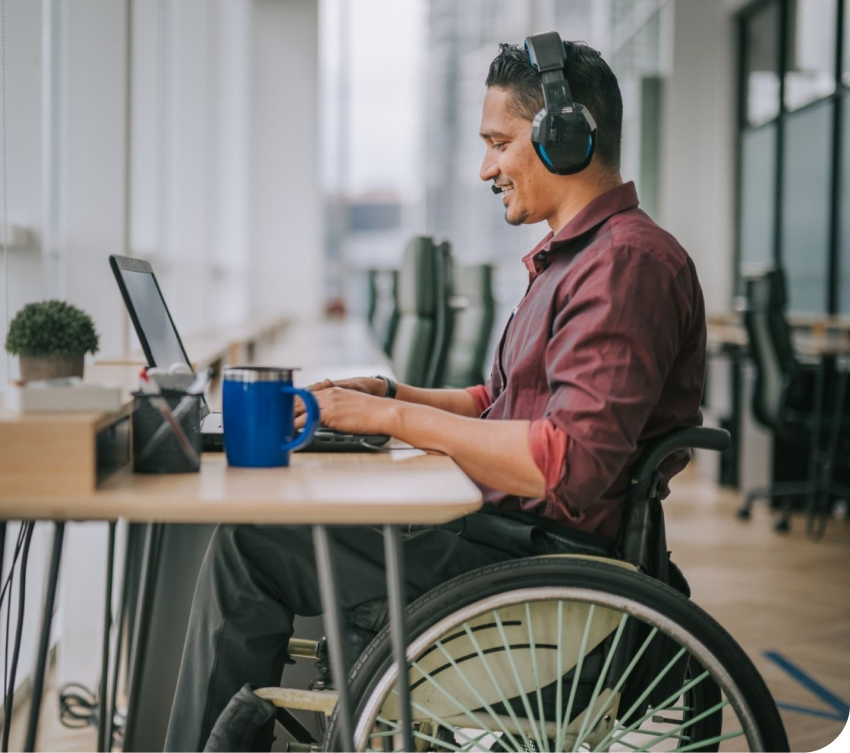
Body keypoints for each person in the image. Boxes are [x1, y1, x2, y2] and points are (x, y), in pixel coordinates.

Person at [164, 38, 705, 753]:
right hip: (505, 538)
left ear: (564, 135)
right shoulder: (579, 258)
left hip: (537, 565)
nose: (486, 168)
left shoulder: (624, 264)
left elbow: (567, 463)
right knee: (264, 536)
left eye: (499, 143)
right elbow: (501, 401)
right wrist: (389, 391)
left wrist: (390, 416)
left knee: (251, 543)